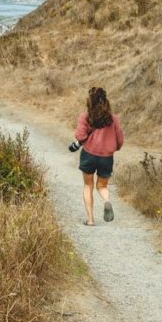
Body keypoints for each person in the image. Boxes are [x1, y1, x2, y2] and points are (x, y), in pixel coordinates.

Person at [69, 87, 124, 226]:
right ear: (106, 102)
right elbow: (120, 140)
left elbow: (81, 136)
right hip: (106, 157)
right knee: (102, 186)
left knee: (88, 185)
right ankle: (106, 201)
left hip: (89, 154)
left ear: (90, 102)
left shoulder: (85, 116)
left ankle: (90, 220)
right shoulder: (113, 119)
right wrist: (113, 148)